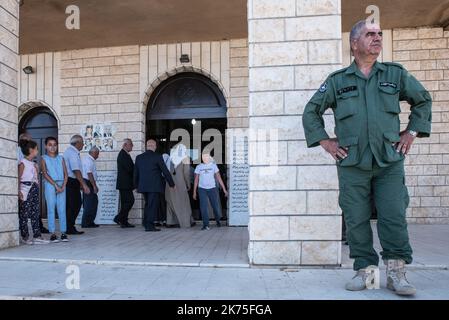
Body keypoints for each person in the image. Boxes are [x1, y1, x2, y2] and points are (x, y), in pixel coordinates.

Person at [302, 20, 432, 296]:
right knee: (356, 218)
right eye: (369, 34)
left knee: (393, 215)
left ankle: (397, 273)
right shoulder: (338, 81)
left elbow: (422, 100)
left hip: (389, 161)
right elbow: (311, 111)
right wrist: (325, 141)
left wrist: (411, 131)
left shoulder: (395, 75)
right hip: (352, 163)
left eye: (379, 34)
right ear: (354, 43)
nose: (377, 38)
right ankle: (366, 273)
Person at [134, 139, 175, 232]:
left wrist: (136, 186)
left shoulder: (139, 157)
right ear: (154, 146)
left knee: (148, 204)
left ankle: (146, 222)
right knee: (152, 205)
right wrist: (171, 183)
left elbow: (135, 173)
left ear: (147, 146)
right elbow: (165, 171)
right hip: (154, 186)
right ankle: (149, 226)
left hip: (143, 186)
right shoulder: (157, 157)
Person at [18, 132, 50, 234]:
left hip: (34, 189)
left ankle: (37, 236)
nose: (38, 151)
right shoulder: (22, 163)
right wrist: (19, 191)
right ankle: (25, 236)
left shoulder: (34, 164)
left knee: (35, 213)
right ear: (31, 150)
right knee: (24, 213)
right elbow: (19, 178)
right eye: (36, 149)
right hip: (25, 189)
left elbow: (35, 178)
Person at [41, 137, 69, 243]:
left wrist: (63, 186)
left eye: (54, 144)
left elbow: (66, 174)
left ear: (57, 146)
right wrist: (55, 185)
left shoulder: (61, 158)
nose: (52, 147)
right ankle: (52, 233)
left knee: (62, 209)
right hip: (50, 184)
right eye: (50, 144)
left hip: (62, 184)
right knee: (51, 208)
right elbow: (44, 173)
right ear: (46, 146)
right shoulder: (44, 158)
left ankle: (63, 233)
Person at [193, 151, 228, 230]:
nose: (205, 158)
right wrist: (194, 192)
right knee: (203, 207)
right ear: (201, 157)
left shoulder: (213, 166)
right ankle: (206, 225)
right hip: (202, 189)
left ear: (209, 157)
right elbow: (196, 180)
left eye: (206, 156)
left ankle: (218, 220)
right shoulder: (199, 167)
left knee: (215, 206)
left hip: (212, 188)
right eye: (203, 156)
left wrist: (224, 189)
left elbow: (219, 178)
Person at [63, 135, 91, 235]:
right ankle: (69, 227)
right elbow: (75, 170)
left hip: (72, 181)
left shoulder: (72, 152)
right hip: (70, 181)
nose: (83, 144)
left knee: (73, 205)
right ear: (78, 143)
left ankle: (69, 227)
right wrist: (84, 184)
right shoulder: (72, 153)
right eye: (82, 142)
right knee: (74, 205)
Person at [165, 144, 194, 228]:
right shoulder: (185, 158)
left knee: (171, 202)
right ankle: (185, 223)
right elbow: (186, 173)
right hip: (180, 183)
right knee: (183, 203)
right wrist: (188, 184)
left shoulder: (171, 158)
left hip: (169, 183)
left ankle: (170, 222)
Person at [114, 139, 135, 228]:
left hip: (125, 184)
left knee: (125, 203)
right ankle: (119, 218)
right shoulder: (123, 155)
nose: (132, 146)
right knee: (129, 201)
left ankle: (123, 221)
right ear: (125, 145)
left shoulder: (125, 154)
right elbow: (130, 168)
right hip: (125, 184)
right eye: (131, 145)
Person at [81, 147, 100, 228]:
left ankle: (89, 221)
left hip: (87, 182)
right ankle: (86, 223)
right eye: (98, 153)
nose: (98, 156)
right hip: (88, 182)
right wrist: (94, 186)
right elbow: (89, 174)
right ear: (94, 153)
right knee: (90, 203)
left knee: (91, 202)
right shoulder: (89, 160)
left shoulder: (87, 159)